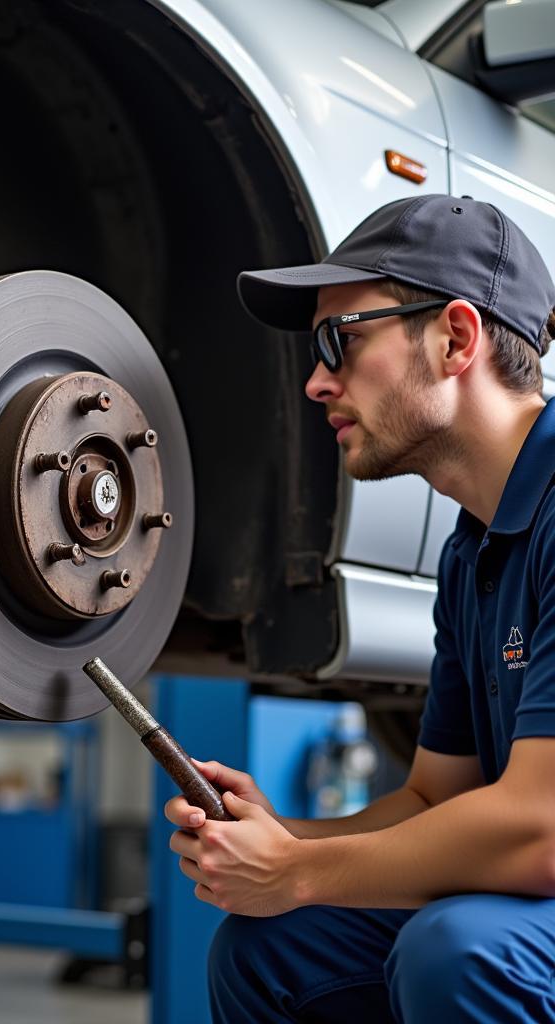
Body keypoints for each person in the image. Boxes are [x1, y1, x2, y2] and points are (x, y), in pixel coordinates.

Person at [163, 193, 555, 1022]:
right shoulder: (473, 551)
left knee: (459, 952)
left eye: (343, 340)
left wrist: (297, 874)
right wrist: (283, 838)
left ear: (456, 337)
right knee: (269, 949)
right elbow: (431, 803)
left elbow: (543, 829)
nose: (314, 381)